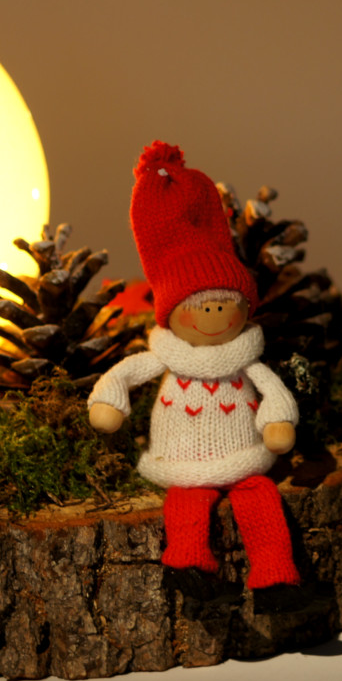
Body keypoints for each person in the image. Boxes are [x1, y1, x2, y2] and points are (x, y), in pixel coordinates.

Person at [87, 141, 302, 604]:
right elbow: (124, 374)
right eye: (201, 304)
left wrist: (277, 424)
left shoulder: (246, 360)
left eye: (227, 303)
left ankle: (275, 575)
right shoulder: (169, 357)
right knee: (187, 500)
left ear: (245, 306)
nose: (216, 313)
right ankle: (186, 563)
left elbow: (275, 395)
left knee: (259, 496)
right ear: (172, 313)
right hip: (182, 463)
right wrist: (109, 403)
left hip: (245, 457)